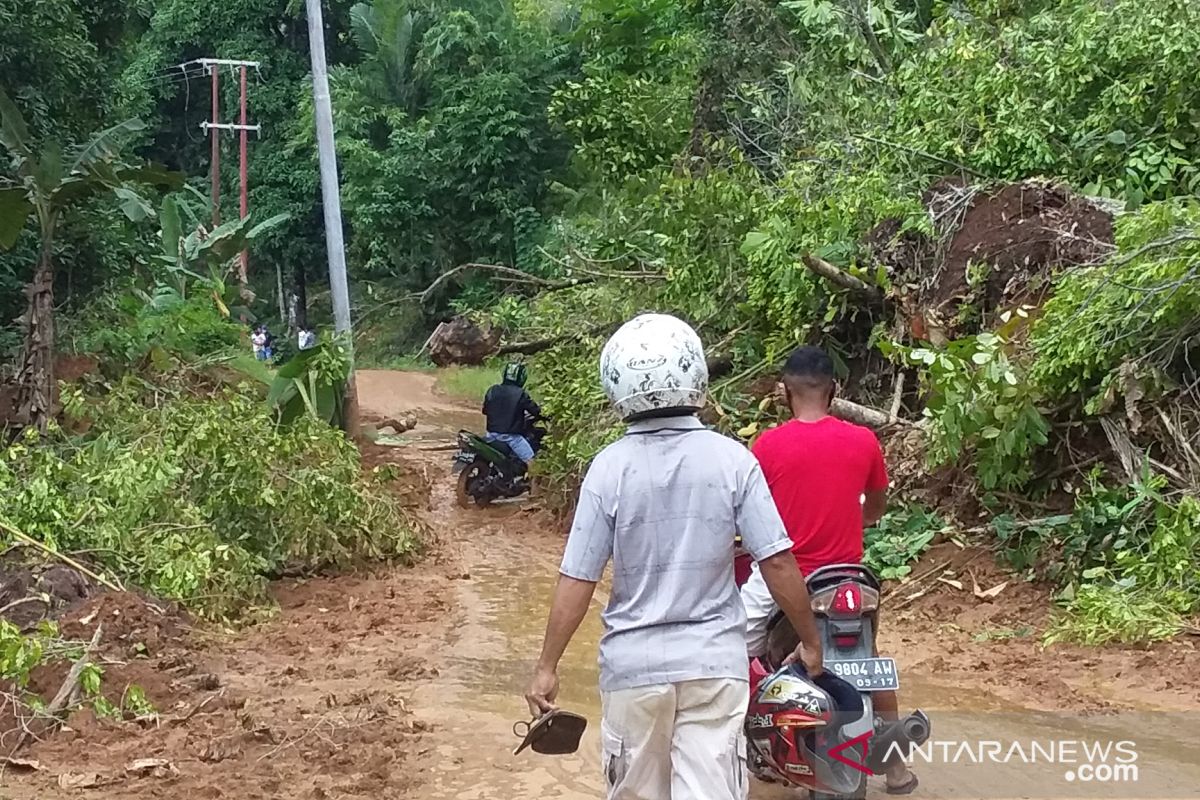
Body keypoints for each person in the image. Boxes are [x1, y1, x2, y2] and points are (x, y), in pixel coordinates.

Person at [524, 313, 825, 800]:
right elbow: (777, 562)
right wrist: (810, 640)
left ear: (617, 383)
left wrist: (547, 666)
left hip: (633, 669)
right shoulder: (734, 461)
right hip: (714, 667)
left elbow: (577, 578)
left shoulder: (608, 469)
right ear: (696, 375)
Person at [740, 345, 917, 794]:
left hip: (787, 578)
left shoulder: (767, 446)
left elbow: (752, 520)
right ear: (834, 390)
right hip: (850, 582)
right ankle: (895, 770)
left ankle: (756, 743)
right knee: (871, 661)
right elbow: (875, 508)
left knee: (733, 643)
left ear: (784, 392)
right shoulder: (864, 441)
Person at [482, 362, 541, 465]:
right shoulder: (520, 393)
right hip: (511, 437)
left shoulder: (493, 390)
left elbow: (485, 410)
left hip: (491, 435)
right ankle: (532, 480)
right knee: (533, 463)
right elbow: (534, 410)